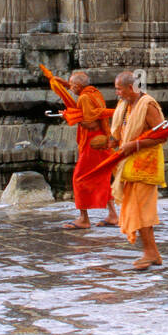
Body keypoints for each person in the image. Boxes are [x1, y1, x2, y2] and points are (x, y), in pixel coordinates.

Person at [109, 71, 166, 270]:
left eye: (119, 88)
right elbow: (121, 133)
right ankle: (151, 253)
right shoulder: (125, 106)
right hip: (129, 164)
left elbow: (162, 135)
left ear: (131, 88)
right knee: (136, 208)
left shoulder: (148, 105)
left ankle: (151, 253)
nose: (117, 93)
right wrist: (111, 142)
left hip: (146, 166)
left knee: (142, 209)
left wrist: (135, 145)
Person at [61, 70, 117, 231]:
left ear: (78, 86)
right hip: (101, 141)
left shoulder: (85, 97)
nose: (70, 88)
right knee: (102, 176)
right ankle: (113, 215)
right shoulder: (95, 92)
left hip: (93, 143)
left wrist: (70, 117)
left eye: (71, 86)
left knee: (80, 178)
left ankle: (83, 218)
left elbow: (91, 123)